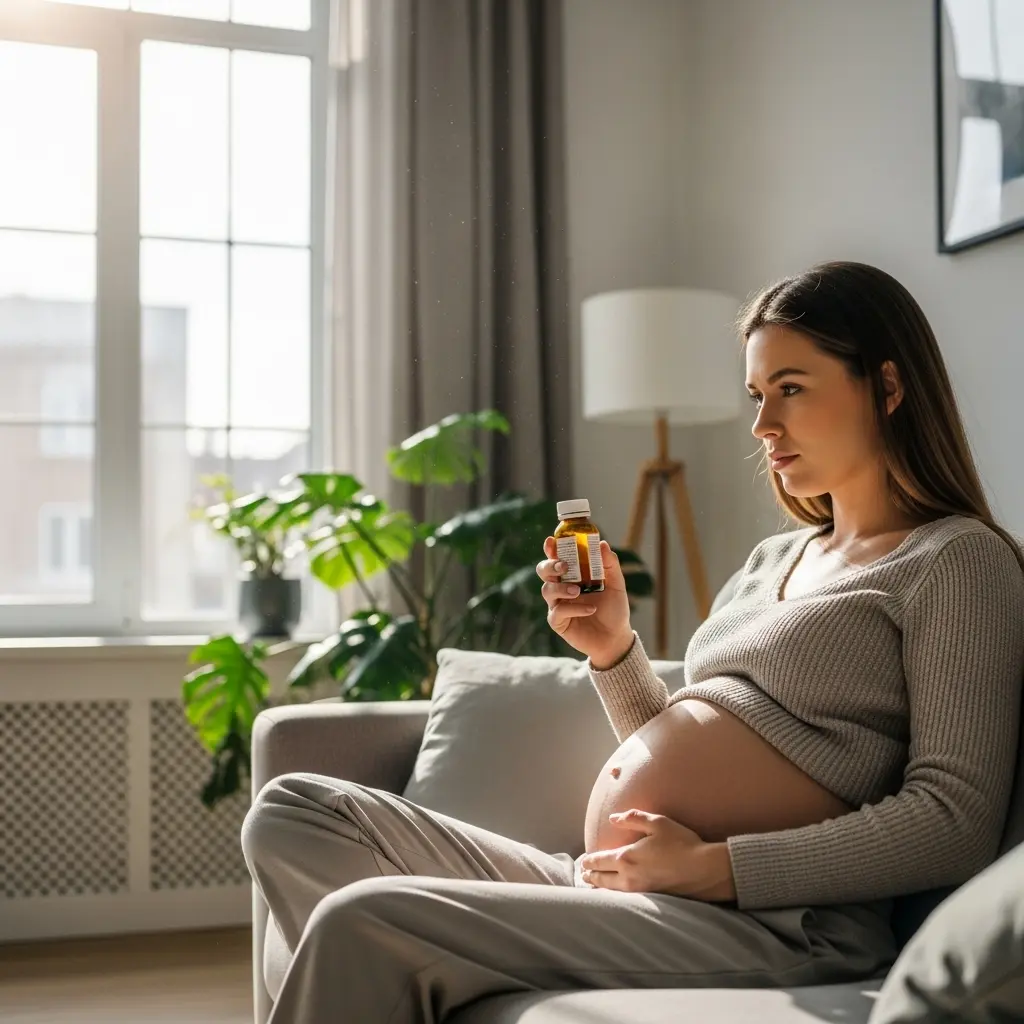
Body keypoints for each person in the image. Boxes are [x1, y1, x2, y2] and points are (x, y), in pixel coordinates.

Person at [242, 261, 1024, 1024]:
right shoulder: (773, 559)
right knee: (295, 814)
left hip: (782, 921)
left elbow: (953, 820)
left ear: (887, 387)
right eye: (756, 394)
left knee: (366, 919)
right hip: (626, 881)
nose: (762, 425)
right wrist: (612, 648)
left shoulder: (954, 560)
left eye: (791, 389)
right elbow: (689, 735)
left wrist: (715, 870)